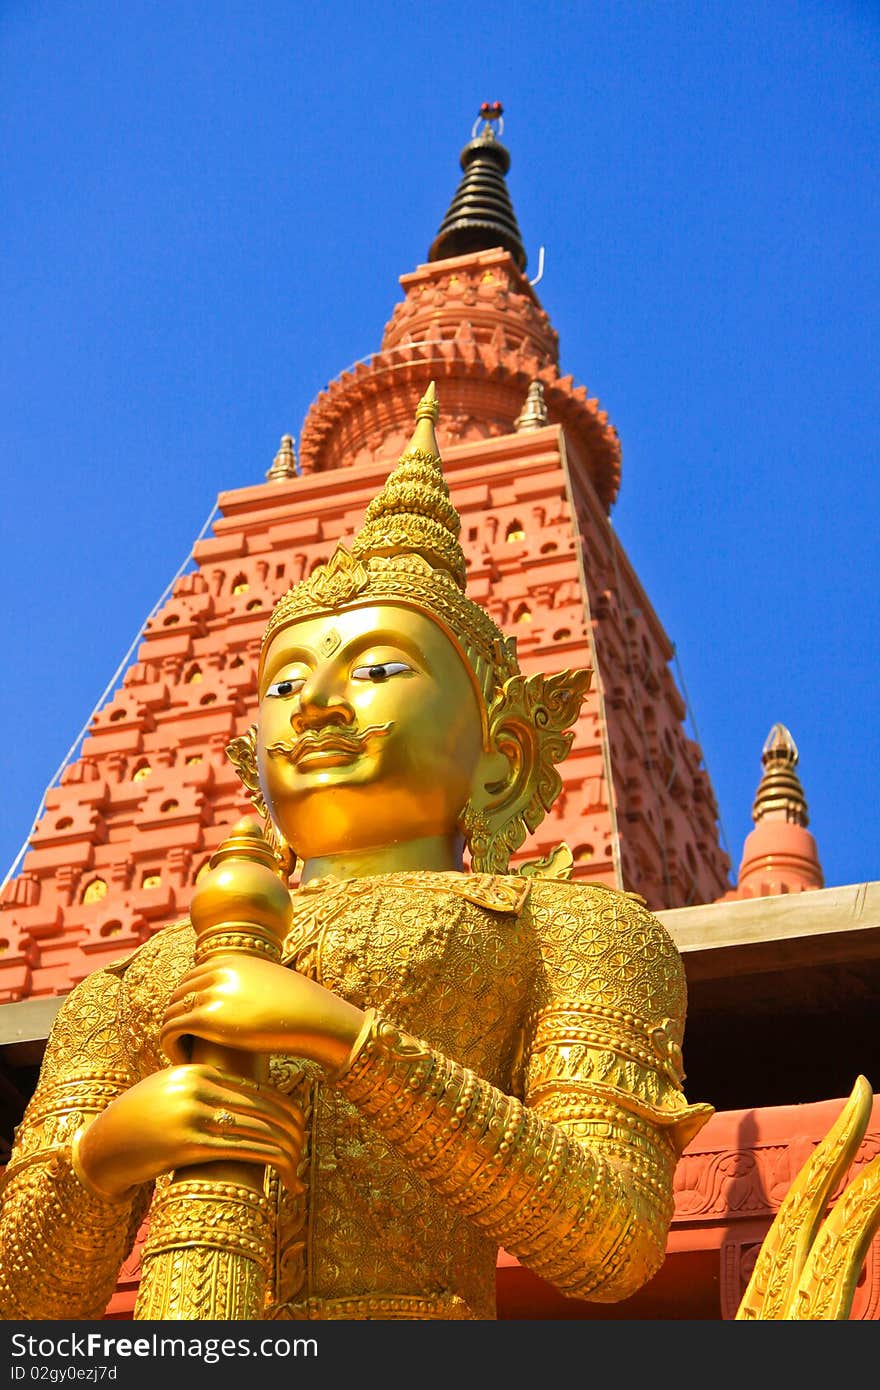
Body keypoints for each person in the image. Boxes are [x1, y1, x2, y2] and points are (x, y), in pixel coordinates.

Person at [0, 384, 714, 1321]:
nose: (318, 705)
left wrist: (348, 1039)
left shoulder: (571, 930)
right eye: (286, 680)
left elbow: (612, 1240)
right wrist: (101, 1156)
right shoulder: (144, 979)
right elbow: (25, 1309)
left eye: (378, 668)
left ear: (502, 759)